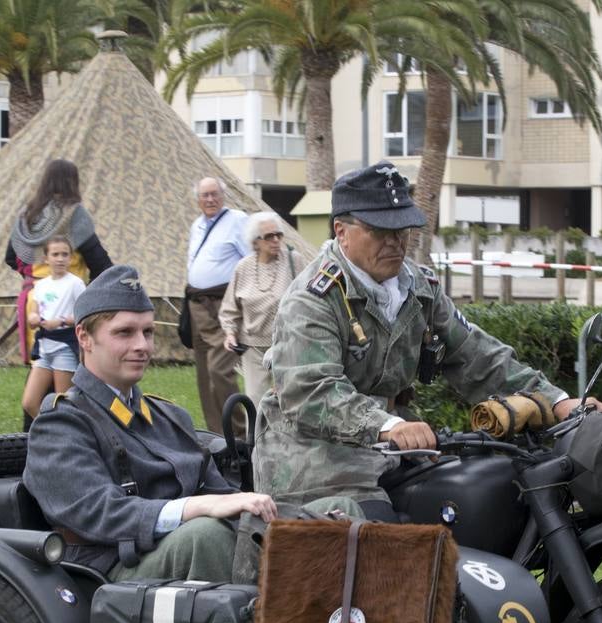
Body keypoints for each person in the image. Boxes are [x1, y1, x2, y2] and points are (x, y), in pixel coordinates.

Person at [252, 161, 602, 519]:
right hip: (312, 458)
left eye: (402, 228)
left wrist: (559, 402)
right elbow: (312, 391)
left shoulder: (418, 288)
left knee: (475, 503)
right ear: (342, 232)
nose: (395, 241)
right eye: (380, 230)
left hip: (389, 450)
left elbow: (477, 356)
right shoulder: (313, 299)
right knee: (377, 534)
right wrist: (388, 425)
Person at [24, 263, 357, 583]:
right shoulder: (61, 424)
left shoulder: (168, 416)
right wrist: (197, 507)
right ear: (84, 337)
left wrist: (266, 512)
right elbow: (100, 512)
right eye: (124, 333)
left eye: (148, 332)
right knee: (206, 534)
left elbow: (219, 493)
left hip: (175, 553)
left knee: (337, 509)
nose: (141, 345)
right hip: (115, 569)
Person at [6, 158, 113, 428]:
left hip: (35, 298)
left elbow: (11, 257)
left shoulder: (28, 214)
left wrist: (38, 278)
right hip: (67, 299)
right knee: (65, 374)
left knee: (39, 371)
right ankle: (63, 434)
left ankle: (31, 437)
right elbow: (100, 263)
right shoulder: (74, 214)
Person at [185, 176, 250, 437]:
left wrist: (241, 301)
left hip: (223, 304)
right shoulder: (197, 225)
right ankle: (216, 435)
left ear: (223, 196)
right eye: (205, 195)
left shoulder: (237, 220)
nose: (210, 199)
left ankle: (238, 432)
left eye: (214, 194)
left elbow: (250, 261)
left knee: (219, 369)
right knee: (203, 372)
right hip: (197, 304)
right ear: (197, 199)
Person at [220, 211, 298, 410]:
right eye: (268, 236)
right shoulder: (243, 268)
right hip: (253, 348)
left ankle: (288, 441)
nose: (275, 240)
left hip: (287, 344)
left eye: (278, 235)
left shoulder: (293, 261)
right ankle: (255, 441)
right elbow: (230, 308)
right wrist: (230, 333)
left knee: (290, 401)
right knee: (256, 403)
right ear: (256, 242)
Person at [20, 236, 84, 422]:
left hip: (64, 347)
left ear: (70, 258)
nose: (60, 259)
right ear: (46, 258)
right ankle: (49, 431)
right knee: (30, 402)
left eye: (65, 254)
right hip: (44, 348)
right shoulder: (41, 285)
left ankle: (68, 435)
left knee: (63, 403)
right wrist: (33, 318)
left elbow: (85, 315)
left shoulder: (75, 284)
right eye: (55, 254)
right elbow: (34, 313)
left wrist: (62, 321)